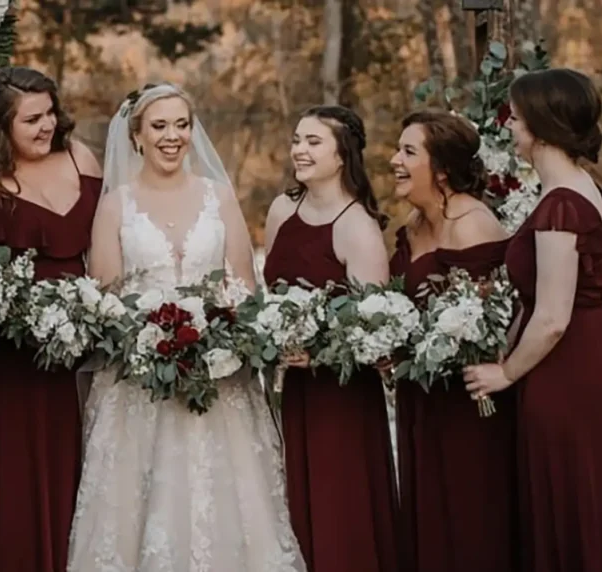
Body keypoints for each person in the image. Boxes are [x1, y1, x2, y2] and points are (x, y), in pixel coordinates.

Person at [67, 82, 306, 571]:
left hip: (219, 380)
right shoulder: (116, 205)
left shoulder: (219, 197)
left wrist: (220, 337)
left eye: (182, 125)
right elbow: (105, 298)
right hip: (138, 385)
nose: (172, 136)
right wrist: (150, 342)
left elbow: (243, 286)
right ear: (136, 136)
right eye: (159, 126)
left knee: (226, 503)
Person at [464, 68, 602, 572]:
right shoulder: (576, 188)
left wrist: (505, 373)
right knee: (580, 500)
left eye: (516, 116)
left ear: (540, 124)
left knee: (572, 501)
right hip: (580, 362)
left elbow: (553, 315)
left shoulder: (562, 205)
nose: (508, 125)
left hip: (570, 372)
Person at [0, 66, 102, 572]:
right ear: (0, 124)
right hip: (5, 362)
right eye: (31, 118)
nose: (46, 126)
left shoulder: (81, 157)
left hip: (83, 346)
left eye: (51, 112)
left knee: (81, 470)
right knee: (15, 479)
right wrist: (23, 314)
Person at [262, 104, 398, 572]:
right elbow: (270, 294)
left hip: (342, 397)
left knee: (340, 508)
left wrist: (318, 354)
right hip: (293, 388)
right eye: (297, 139)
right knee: (295, 503)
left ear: (342, 155)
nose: (299, 149)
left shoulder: (356, 225)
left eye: (313, 141)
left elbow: (376, 329)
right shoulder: (283, 209)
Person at [389, 109, 518, 572]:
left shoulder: (472, 223)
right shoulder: (410, 225)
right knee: (429, 509)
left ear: (441, 168)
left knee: (469, 514)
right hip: (420, 395)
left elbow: (495, 317)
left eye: (408, 152)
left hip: (469, 398)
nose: (393, 160)